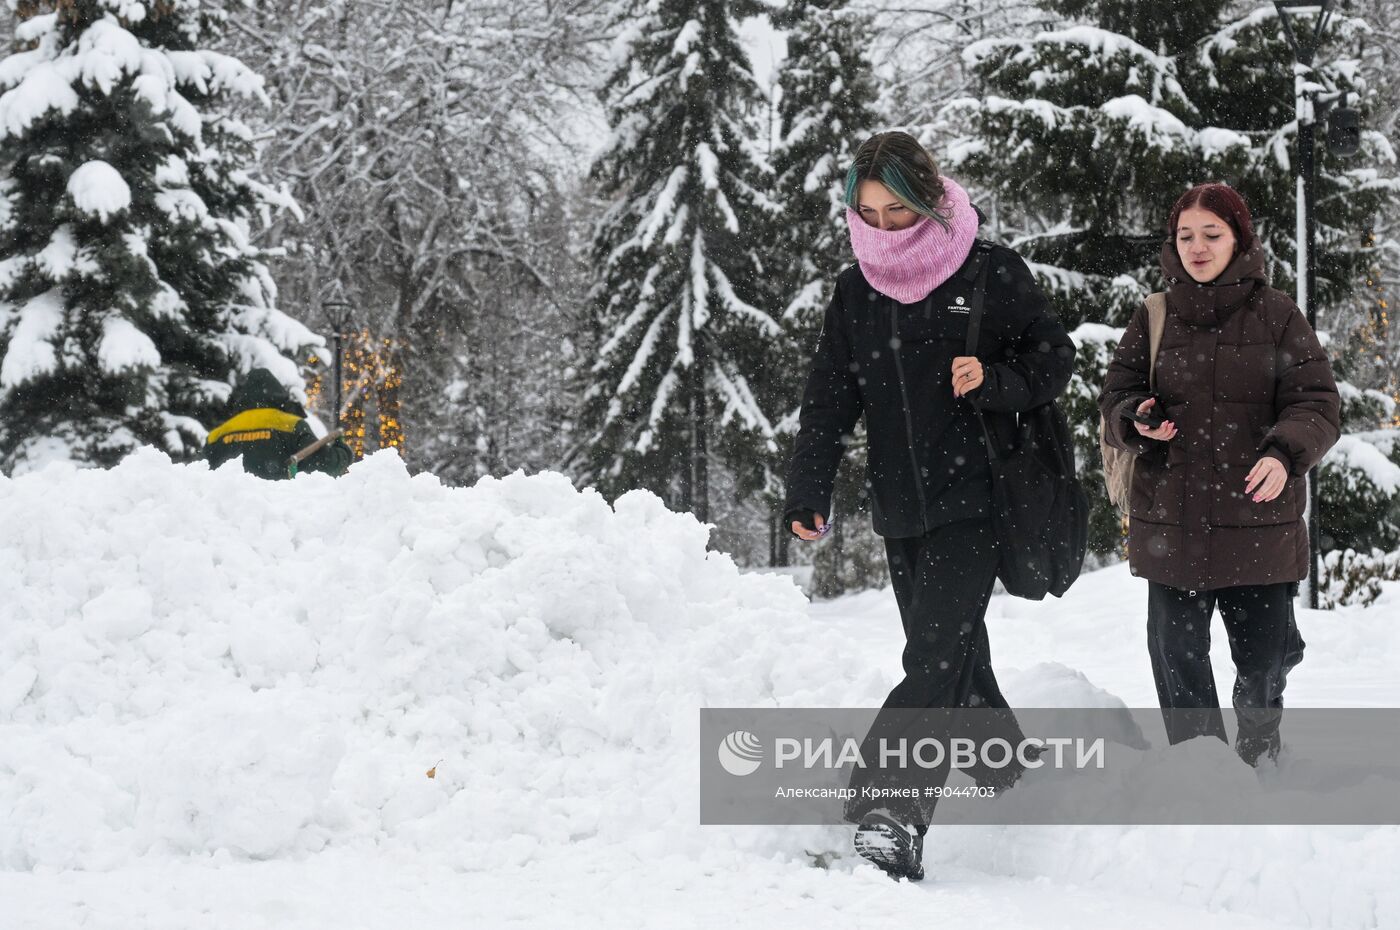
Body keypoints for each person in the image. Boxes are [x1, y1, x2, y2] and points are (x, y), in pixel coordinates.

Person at [783, 131, 1075, 880]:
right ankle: (1009, 774)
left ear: (929, 199)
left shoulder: (986, 271)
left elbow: (1053, 359)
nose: (882, 228)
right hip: (900, 506)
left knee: (935, 651)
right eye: (868, 213)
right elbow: (827, 402)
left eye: (897, 212)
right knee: (954, 651)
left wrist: (994, 379)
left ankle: (891, 812)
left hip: (978, 498)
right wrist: (808, 489)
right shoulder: (856, 292)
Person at [1098, 182, 1338, 767]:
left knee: (1264, 663)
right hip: (1171, 521)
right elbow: (1117, 399)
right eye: (1186, 236)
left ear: (1239, 241)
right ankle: (1198, 770)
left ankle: (1259, 752)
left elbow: (1317, 405)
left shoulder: (1279, 315)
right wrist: (1138, 418)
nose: (1197, 247)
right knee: (1178, 658)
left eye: (1212, 234)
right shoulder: (1152, 316)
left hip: (1258, 520)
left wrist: (1283, 454)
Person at [202, 368, 353, 479]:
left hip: (226, 517)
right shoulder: (292, 425)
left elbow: (200, 478)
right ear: (277, 393)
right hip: (278, 514)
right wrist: (343, 452)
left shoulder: (217, 435)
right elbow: (324, 465)